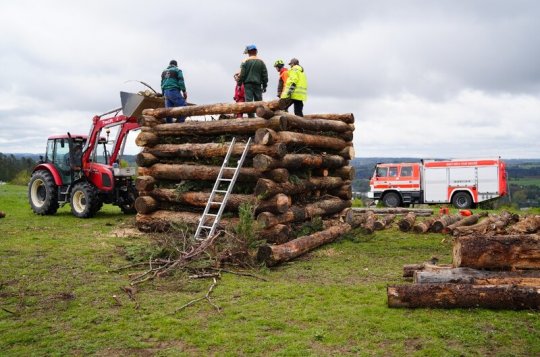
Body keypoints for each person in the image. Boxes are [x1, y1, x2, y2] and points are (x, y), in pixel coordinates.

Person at [238, 44, 268, 118]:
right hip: (258, 84)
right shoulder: (261, 62)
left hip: (248, 85)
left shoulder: (245, 61)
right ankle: (261, 118)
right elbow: (265, 75)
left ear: (248, 52)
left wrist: (239, 84)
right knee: (259, 102)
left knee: (249, 103)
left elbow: (242, 74)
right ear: (256, 51)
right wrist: (264, 85)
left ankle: (251, 119)